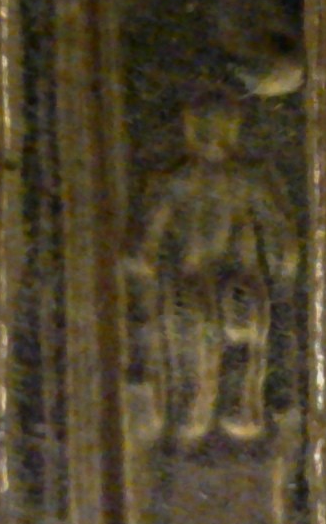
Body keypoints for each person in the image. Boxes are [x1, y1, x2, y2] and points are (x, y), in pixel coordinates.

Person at [126, 96, 300, 445]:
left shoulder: (245, 180)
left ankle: (236, 410)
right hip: (191, 279)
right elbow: (147, 238)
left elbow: (276, 227)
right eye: (203, 127)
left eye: (217, 126)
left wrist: (282, 258)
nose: (211, 136)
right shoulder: (178, 180)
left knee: (242, 339)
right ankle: (194, 413)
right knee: (194, 343)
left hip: (238, 278)